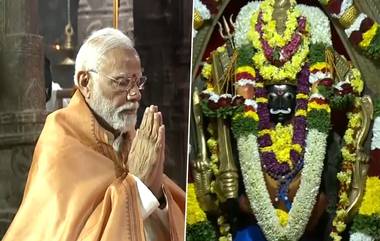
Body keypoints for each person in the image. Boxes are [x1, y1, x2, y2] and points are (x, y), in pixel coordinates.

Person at [3, 28, 185, 241]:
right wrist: (138, 189)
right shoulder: (61, 139)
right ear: (85, 82)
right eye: (122, 82)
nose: (135, 94)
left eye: (138, 82)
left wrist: (156, 195)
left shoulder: (132, 139)